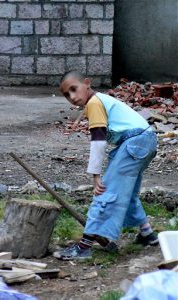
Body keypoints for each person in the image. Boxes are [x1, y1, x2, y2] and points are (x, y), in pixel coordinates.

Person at [54, 71, 159, 260]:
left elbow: (98, 142)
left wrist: (96, 175)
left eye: (74, 89)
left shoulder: (94, 103)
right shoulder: (97, 101)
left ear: (87, 83)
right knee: (126, 191)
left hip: (134, 142)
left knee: (106, 192)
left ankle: (84, 247)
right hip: (145, 140)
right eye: (66, 94)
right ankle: (147, 234)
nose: (72, 97)